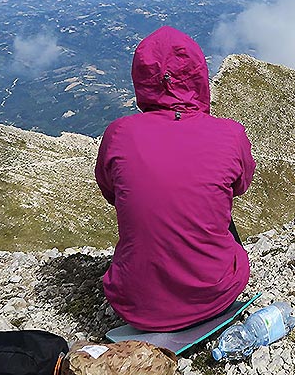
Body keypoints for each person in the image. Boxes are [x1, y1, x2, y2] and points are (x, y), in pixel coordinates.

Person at [94, 25, 256, 332]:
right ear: (198, 75)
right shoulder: (230, 133)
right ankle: (203, 277)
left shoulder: (118, 133)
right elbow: (241, 185)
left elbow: (110, 192)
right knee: (220, 213)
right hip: (217, 296)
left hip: (135, 305)